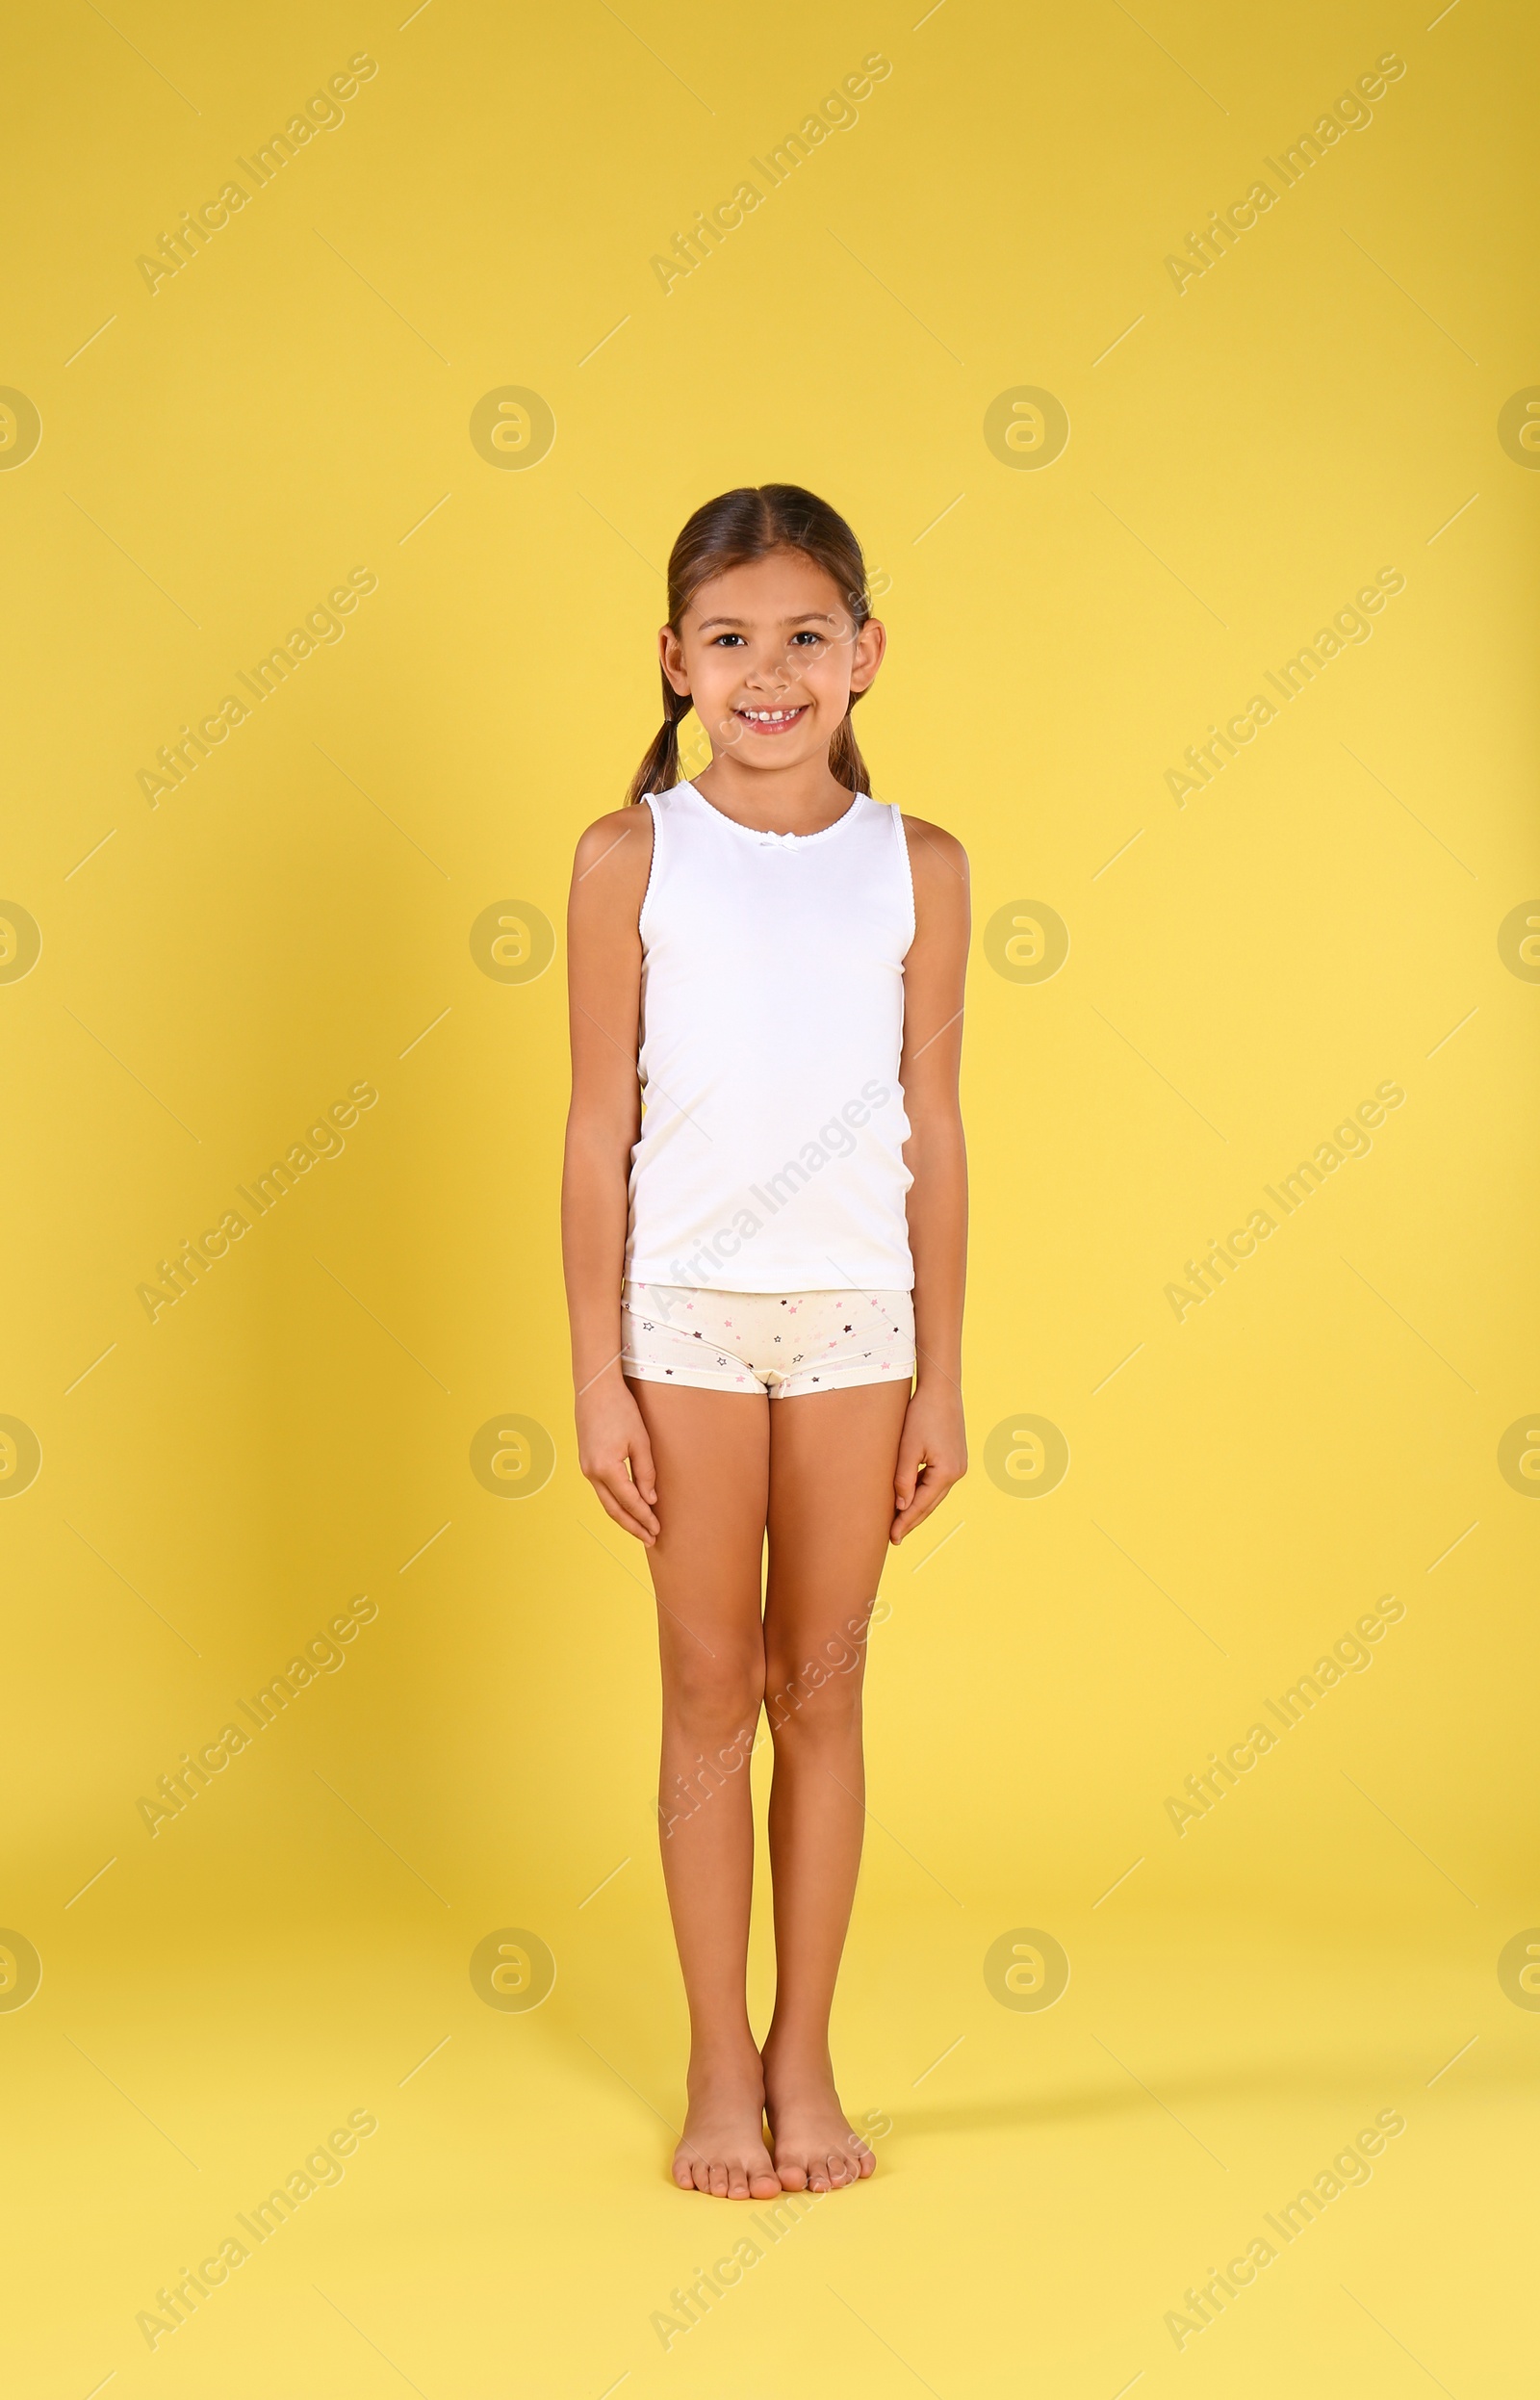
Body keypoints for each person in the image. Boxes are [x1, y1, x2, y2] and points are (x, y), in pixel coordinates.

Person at [561, 483, 968, 2200]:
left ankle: (807, 2054)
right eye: (732, 641)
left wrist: (943, 1367)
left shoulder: (920, 865)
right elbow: (595, 1126)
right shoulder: (628, 856)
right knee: (710, 1687)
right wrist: (596, 1371)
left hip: (859, 1317)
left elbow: (934, 1125)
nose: (771, 672)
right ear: (676, 662)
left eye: (807, 636)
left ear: (866, 653)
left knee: (824, 1683)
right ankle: (716, 2061)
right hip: (689, 1316)